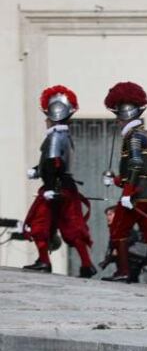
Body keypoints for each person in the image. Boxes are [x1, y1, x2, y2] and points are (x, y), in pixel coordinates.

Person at [100, 81, 147, 284]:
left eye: (118, 115)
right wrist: (116, 179)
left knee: (118, 230)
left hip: (136, 195)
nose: (117, 120)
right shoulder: (143, 134)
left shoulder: (133, 137)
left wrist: (127, 193)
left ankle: (123, 271)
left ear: (125, 115)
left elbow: (135, 165)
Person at [22, 85, 96, 277]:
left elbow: (54, 163)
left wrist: (51, 188)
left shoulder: (55, 135)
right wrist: (37, 171)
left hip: (55, 188)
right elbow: (53, 163)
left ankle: (44, 261)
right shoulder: (64, 135)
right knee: (71, 227)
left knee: (39, 224)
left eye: (48, 116)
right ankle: (86, 264)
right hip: (66, 187)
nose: (46, 120)